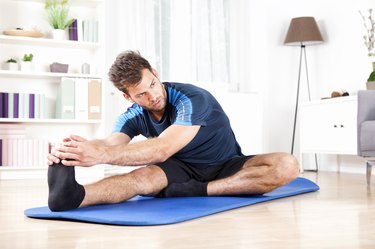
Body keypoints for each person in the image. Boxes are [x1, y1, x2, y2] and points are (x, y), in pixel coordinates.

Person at [47, 50, 299, 211]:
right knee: (141, 178)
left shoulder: (191, 98)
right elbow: (112, 142)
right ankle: (75, 196)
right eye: (141, 94)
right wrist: (75, 151)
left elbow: (162, 148)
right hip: (181, 169)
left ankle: (204, 189)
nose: (153, 96)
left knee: (287, 165)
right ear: (127, 97)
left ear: (155, 74)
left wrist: (100, 155)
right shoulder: (134, 113)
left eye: (153, 85)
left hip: (226, 164)